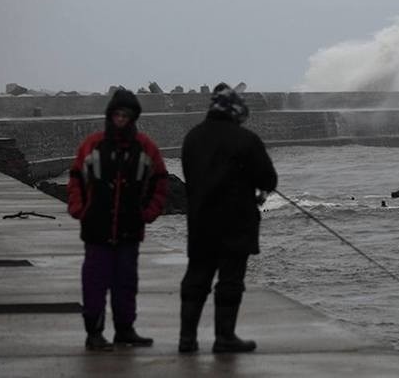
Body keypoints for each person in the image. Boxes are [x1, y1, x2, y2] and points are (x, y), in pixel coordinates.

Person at [178, 82, 277, 354]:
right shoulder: (245, 140)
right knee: (230, 282)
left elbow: (191, 178)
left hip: (200, 223)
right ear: (236, 111)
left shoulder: (193, 138)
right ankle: (224, 338)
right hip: (236, 223)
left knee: (196, 279)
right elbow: (268, 178)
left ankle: (187, 339)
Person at [67, 88, 168, 351]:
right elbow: (76, 178)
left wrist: (149, 213)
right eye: (117, 114)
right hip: (96, 229)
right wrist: (80, 209)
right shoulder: (93, 145)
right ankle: (94, 333)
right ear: (110, 115)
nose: (121, 119)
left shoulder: (146, 148)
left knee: (126, 283)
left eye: (126, 115)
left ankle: (125, 331)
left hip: (129, 230)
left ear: (134, 118)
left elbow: (160, 182)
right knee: (95, 283)